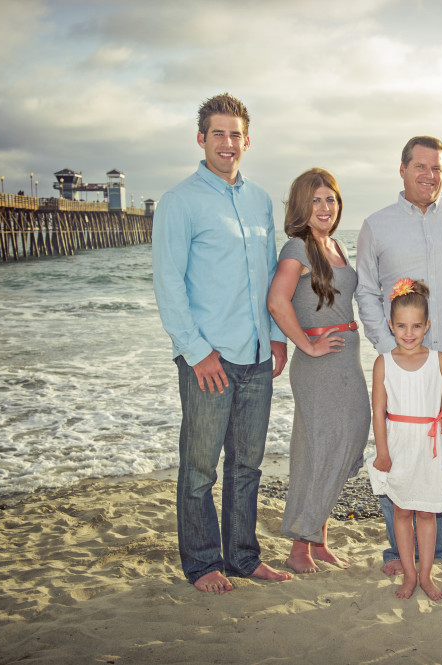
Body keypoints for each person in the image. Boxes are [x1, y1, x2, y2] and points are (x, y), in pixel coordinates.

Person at [152, 93, 292, 593]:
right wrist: (196, 350)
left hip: (257, 357)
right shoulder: (180, 201)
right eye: (218, 134)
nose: (227, 143)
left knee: (247, 466)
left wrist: (276, 338)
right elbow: (168, 283)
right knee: (199, 469)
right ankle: (202, 564)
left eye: (235, 134)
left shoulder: (258, 200)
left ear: (246, 140)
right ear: (201, 139)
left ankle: (244, 557)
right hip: (208, 359)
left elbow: (273, 275)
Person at [355, 136, 442, 575]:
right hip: (400, 369)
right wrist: (387, 349)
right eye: (420, 166)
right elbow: (366, 289)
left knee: (441, 456)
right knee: (397, 457)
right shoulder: (377, 224)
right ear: (402, 169)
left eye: (437, 168)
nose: (429, 175)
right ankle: (396, 552)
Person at [266, 168, 370, 574]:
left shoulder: (336, 245)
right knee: (321, 448)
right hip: (321, 363)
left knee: (342, 443)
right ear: (301, 206)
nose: (325, 207)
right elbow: (278, 301)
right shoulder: (298, 248)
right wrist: (307, 344)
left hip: (347, 359)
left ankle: (318, 538)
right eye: (316, 200)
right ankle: (299, 548)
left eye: (331, 199)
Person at [367, 279, 442, 601]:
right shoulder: (384, 363)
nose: (409, 333)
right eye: (402, 326)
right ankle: (408, 575)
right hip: (398, 445)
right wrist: (382, 452)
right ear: (391, 326)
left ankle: (426, 575)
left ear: (427, 326)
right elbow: (378, 410)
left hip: (431, 446)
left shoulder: (439, 360)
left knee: (427, 513)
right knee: (402, 513)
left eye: (416, 326)